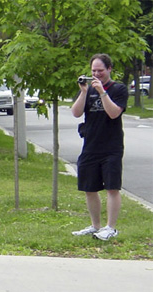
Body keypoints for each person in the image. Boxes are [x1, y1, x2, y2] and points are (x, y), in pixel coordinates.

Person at [71, 53, 128, 240]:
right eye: (93, 71)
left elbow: (113, 113)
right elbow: (76, 113)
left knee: (112, 187)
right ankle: (95, 226)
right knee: (90, 188)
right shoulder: (88, 90)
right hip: (90, 145)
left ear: (109, 69)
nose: (97, 74)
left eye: (100, 70)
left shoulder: (118, 89)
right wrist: (84, 92)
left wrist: (103, 92)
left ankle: (110, 227)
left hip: (111, 146)